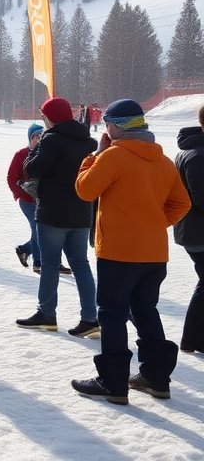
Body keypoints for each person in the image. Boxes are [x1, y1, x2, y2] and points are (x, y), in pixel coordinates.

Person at [71, 99, 191, 404]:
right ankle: (155, 377)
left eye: (106, 124)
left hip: (119, 253)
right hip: (153, 253)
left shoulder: (113, 156)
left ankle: (113, 382)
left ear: (114, 127)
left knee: (112, 315)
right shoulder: (162, 161)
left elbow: (85, 189)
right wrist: (152, 224)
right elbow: (182, 204)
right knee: (145, 311)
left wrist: (94, 156)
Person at [19, 97, 99, 337]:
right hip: (82, 211)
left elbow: (32, 169)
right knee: (80, 264)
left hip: (53, 212)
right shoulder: (86, 141)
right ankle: (90, 318)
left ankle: (47, 313)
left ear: (50, 117)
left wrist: (37, 147)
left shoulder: (51, 140)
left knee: (50, 264)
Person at [174, 104, 204, 355]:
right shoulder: (198, 155)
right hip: (197, 232)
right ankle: (192, 339)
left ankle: (193, 338)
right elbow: (201, 198)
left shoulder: (194, 151)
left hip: (193, 230)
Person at [8, 124, 45, 272]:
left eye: (42, 136)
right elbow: (11, 177)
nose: (39, 139)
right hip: (27, 200)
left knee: (46, 230)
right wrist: (20, 193)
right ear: (30, 138)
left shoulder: (47, 154)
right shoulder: (21, 154)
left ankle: (25, 249)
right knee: (37, 229)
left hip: (44, 199)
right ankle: (38, 261)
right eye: (36, 136)